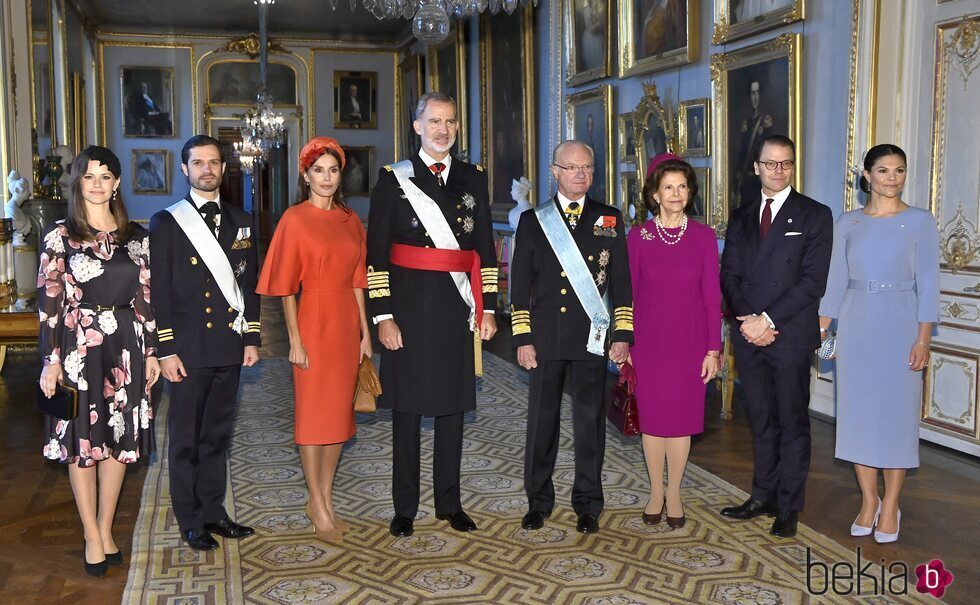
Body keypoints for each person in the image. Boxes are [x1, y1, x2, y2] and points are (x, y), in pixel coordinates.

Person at [367, 91, 498, 538]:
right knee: (406, 409)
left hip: (455, 308)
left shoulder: (473, 178)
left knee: (452, 408)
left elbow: (484, 247)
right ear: (417, 126)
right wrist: (383, 316)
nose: (444, 130)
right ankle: (404, 507)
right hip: (406, 308)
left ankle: (450, 503)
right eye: (435, 121)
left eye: (451, 122)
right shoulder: (392, 180)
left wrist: (489, 307)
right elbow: (376, 255)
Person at [37, 146, 161, 576]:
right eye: (88, 176)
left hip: (126, 344)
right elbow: (49, 301)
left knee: (119, 439)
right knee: (83, 442)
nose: (96, 183)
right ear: (77, 182)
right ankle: (90, 532)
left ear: (117, 184)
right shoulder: (59, 236)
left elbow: (147, 300)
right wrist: (50, 360)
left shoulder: (138, 237)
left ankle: (107, 528)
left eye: (105, 176)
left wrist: (152, 353)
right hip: (77, 347)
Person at [818, 145, 939, 543]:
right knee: (859, 417)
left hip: (901, 323)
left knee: (896, 418)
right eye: (883, 171)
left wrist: (923, 338)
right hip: (856, 326)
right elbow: (834, 281)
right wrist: (821, 332)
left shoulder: (921, 221)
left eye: (899, 171)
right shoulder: (848, 222)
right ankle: (869, 500)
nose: (892, 178)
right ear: (866, 176)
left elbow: (929, 284)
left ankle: (891, 506)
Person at [511, 140, 633, 534]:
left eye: (588, 168)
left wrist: (622, 333)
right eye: (572, 167)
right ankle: (538, 501)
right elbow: (519, 285)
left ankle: (587, 504)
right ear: (555, 171)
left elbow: (622, 283)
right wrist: (522, 337)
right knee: (542, 423)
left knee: (589, 423)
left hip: (591, 337)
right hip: (546, 338)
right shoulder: (533, 220)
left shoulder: (609, 219)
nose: (581, 174)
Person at [149, 135, 261, 551]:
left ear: (223, 167)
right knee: (185, 439)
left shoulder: (242, 218)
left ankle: (215, 511)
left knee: (216, 435)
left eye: (214, 162)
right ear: (185, 169)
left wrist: (251, 338)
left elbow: (248, 285)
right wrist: (165, 349)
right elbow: (158, 290)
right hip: (187, 349)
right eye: (198, 163)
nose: (207, 169)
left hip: (228, 345)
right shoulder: (166, 222)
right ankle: (190, 520)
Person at [256, 137, 371, 542]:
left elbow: (360, 281)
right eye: (318, 170)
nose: (326, 177)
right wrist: (295, 339)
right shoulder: (294, 219)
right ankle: (317, 502)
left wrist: (365, 335)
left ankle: (324, 497)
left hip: (345, 325)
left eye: (333, 170)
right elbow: (286, 287)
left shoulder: (351, 220)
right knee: (312, 417)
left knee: (339, 416)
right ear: (305, 175)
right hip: (313, 320)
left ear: (341, 176)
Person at [719, 134, 833, 538]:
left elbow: (811, 283)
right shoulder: (741, 216)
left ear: (792, 167)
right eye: (770, 164)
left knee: (792, 421)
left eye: (785, 163)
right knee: (761, 419)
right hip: (749, 333)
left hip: (789, 333)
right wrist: (748, 319)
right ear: (756, 168)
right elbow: (728, 274)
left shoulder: (815, 215)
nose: (777, 170)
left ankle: (789, 505)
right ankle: (762, 495)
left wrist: (766, 319)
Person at [627, 154, 720, 529]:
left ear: (690, 192)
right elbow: (628, 295)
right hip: (648, 341)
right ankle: (654, 491)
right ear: (654, 193)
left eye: (682, 187)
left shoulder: (703, 237)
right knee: (652, 421)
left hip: (690, 341)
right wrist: (625, 344)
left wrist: (713, 348)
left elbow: (712, 296)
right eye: (669, 187)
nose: (676, 193)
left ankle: (676, 492)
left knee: (680, 421)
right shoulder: (638, 237)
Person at [732, 79, 774, 210]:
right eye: (752, 93)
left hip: (760, 182)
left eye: (757, 93)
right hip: (747, 180)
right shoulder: (746, 123)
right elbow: (742, 153)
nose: (755, 97)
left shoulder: (766, 122)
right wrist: (736, 179)